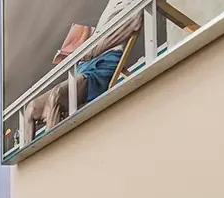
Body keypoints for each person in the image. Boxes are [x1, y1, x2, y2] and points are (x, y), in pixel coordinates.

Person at [20, 0, 144, 143]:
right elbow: (100, 35)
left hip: (103, 63)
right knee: (30, 109)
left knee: (57, 95)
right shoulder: (112, 3)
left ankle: (51, 151)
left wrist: (94, 49)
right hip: (86, 63)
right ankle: (32, 154)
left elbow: (135, 23)